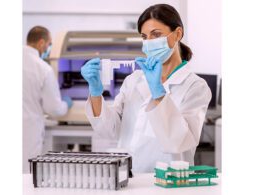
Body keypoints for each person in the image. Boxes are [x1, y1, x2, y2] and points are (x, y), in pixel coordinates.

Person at [81, 4, 212, 173]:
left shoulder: (195, 86)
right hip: (127, 177)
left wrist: (158, 92)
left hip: (169, 180)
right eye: (145, 37)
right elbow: (109, 131)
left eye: (156, 35)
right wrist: (96, 93)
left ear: (177, 34)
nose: (149, 43)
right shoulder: (134, 80)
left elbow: (180, 142)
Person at [23, 26, 72, 173]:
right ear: (41, 43)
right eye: (49, 44)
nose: (49, 48)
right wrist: (66, 104)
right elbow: (54, 109)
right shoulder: (43, 68)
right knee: (26, 175)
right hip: (28, 130)